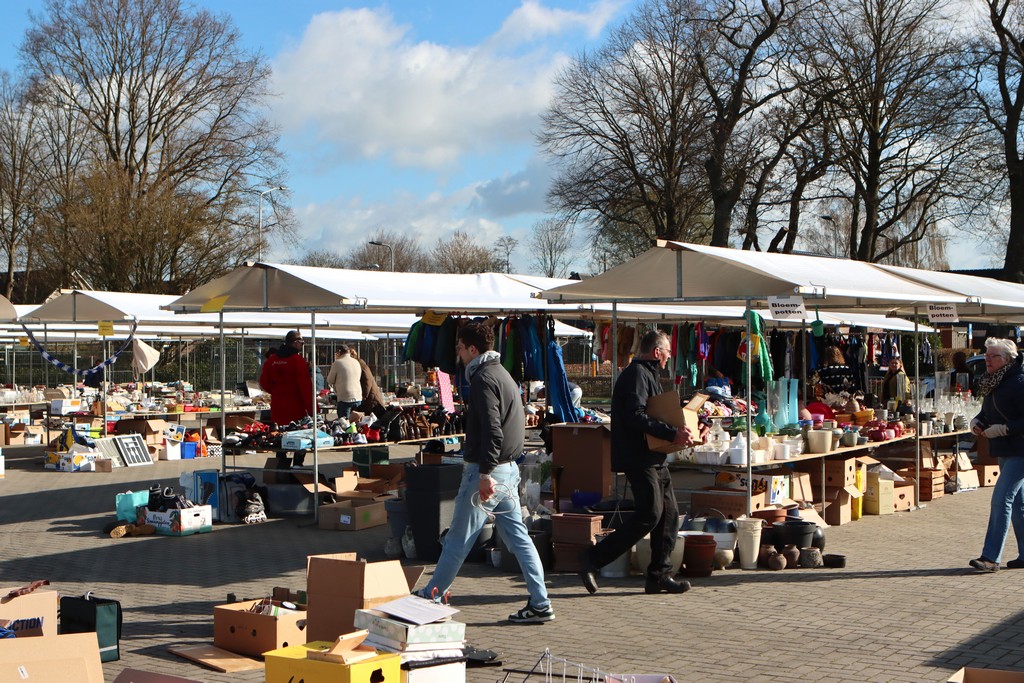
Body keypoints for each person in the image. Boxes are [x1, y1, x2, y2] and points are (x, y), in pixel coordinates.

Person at [417, 322, 553, 623]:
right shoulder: (503, 374)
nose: (458, 354)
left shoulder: (482, 379)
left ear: (473, 349)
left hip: (487, 470)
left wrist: (485, 474)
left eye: (460, 348)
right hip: (507, 470)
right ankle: (541, 602)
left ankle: (432, 595)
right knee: (519, 538)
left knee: (458, 539)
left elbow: (492, 430)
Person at [578, 330, 705, 596]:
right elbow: (636, 416)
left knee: (668, 516)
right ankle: (592, 559)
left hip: (654, 457)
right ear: (657, 352)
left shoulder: (649, 375)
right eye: (668, 352)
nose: (670, 357)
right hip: (639, 458)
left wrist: (689, 425)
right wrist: (672, 433)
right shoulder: (636, 375)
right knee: (650, 514)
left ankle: (659, 575)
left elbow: (657, 412)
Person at [968, 338, 1024, 572]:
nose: (987, 360)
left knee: (1001, 499)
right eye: (986, 355)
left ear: (1008, 359)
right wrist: (978, 421)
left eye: (993, 356)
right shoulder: (995, 380)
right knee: (1019, 504)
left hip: (1020, 449)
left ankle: (990, 558)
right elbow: (989, 410)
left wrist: (1005, 428)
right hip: (1005, 448)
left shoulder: (1020, 382)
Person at [259, 331, 314, 467]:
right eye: (301, 343)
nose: (302, 345)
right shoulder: (298, 361)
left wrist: (277, 392)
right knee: (300, 438)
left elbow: (264, 383)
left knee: (280, 438)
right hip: (296, 408)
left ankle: (281, 469)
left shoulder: (271, 361)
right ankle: (297, 468)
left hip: (278, 406)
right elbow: (305, 387)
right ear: (295, 342)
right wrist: (313, 409)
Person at [326, 345, 361, 420]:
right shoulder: (356, 362)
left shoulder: (337, 363)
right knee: (356, 423)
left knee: (344, 424)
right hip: (358, 396)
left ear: (339, 352)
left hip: (345, 397)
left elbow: (330, 380)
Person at [350, 348, 386, 418]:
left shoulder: (361, 365)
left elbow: (367, 380)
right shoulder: (360, 365)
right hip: (370, 398)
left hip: (371, 400)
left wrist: (364, 395)